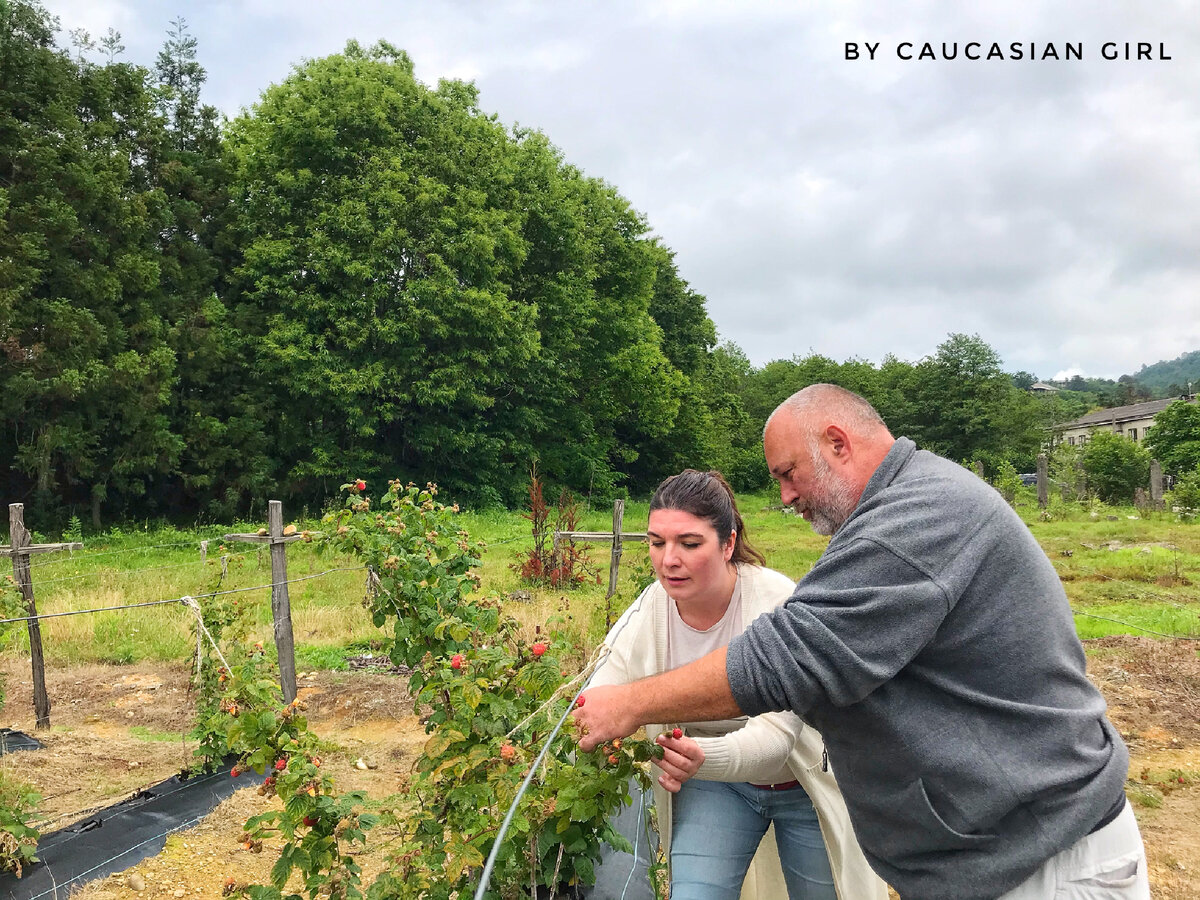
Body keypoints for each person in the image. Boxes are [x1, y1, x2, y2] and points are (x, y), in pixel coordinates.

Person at [575, 384, 1150, 900]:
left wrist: (631, 704)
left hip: (1044, 859)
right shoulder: (899, 508)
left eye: (788, 473)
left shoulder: (915, 517)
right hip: (994, 850)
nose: (784, 496)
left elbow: (791, 657)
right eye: (656, 542)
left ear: (837, 443)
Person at [590, 469, 884, 900]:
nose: (668, 560)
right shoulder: (651, 607)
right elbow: (604, 682)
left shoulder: (776, 601)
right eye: (656, 542)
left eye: (689, 544)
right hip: (717, 788)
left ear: (728, 544)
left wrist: (701, 757)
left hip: (800, 783)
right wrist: (596, 717)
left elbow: (776, 740)